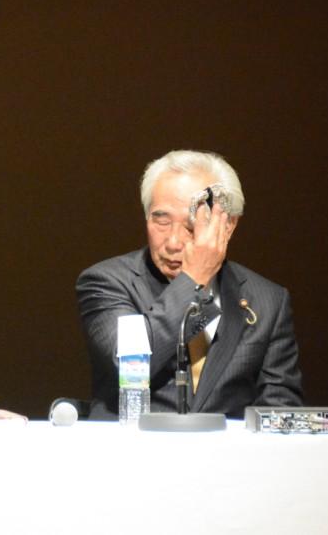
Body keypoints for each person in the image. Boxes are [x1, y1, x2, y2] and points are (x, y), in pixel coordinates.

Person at [76, 150, 302, 419]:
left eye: (191, 225)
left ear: (228, 225)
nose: (173, 242)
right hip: (135, 443)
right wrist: (194, 279)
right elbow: (129, 364)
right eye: (161, 220)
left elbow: (281, 413)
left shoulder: (267, 300)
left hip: (227, 446)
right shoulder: (106, 281)